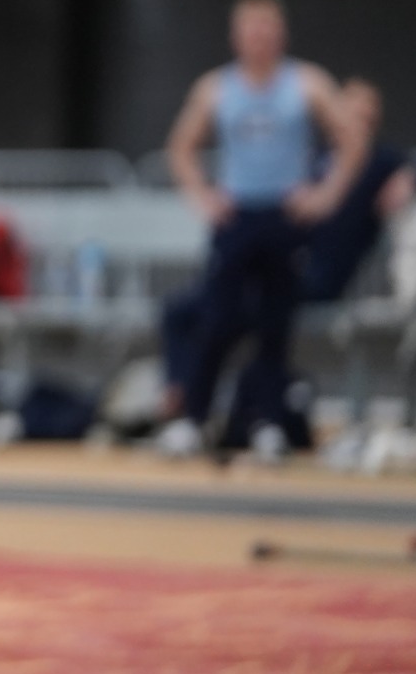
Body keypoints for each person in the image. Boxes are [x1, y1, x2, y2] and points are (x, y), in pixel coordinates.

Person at [158, 0, 363, 461]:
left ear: (280, 34)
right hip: (236, 215)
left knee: (275, 324)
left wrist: (325, 194)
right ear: (236, 37)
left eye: (267, 29)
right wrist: (202, 196)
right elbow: (180, 146)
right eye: (251, 29)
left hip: (285, 215)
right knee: (215, 318)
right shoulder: (216, 87)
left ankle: (268, 422)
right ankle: (193, 419)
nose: (259, 38)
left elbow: (351, 138)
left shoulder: (305, 82)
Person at [158, 74, 402, 454]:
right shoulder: (316, 160)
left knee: (259, 317)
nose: (356, 124)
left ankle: (253, 418)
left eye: (365, 117)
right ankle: (188, 404)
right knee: (193, 310)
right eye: (349, 114)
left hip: (316, 275)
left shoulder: (383, 161)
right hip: (284, 262)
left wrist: (409, 177)